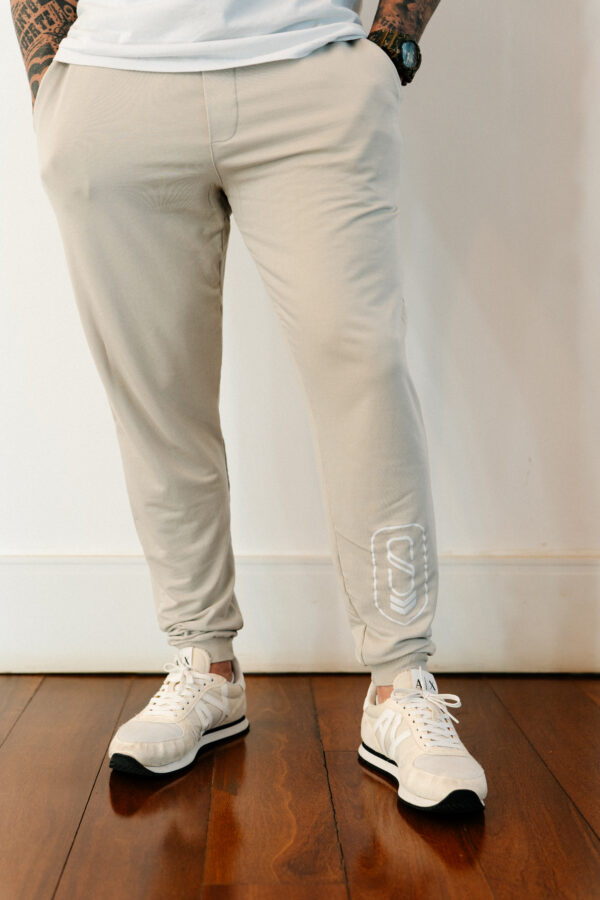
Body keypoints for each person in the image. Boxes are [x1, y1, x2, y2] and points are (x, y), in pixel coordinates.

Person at [12, 0, 487, 813]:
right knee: (157, 394)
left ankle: (399, 680)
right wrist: (49, 77)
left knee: (361, 370)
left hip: (309, 72)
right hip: (113, 82)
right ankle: (205, 661)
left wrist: (390, 50)